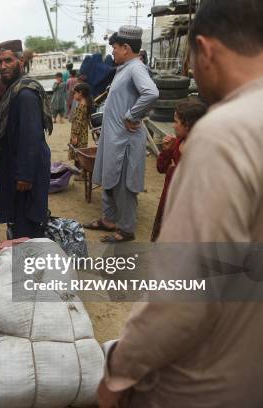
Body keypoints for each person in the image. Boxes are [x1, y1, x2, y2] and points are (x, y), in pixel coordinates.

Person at [97, 0, 263, 406]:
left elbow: (183, 295)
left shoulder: (224, 133)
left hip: (205, 385)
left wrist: (119, 372)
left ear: (205, 50)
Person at [84, 25, 159, 243]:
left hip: (124, 141)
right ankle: (109, 220)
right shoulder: (124, 68)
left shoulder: (136, 68)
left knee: (124, 185)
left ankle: (126, 230)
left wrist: (131, 116)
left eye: (115, 48)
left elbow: (151, 93)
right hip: (114, 139)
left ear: (126, 48)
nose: (113, 52)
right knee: (110, 180)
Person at [0, 39, 53, 239]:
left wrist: (25, 175)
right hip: (16, 167)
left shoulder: (25, 93)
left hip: (25, 173)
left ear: (21, 61)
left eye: (8, 60)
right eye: (0, 62)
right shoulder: (15, 88)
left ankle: (29, 267)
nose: (3, 66)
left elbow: (31, 135)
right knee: (18, 222)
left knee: (27, 226)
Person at [150, 99, 207, 241]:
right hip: (169, 200)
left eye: (176, 121)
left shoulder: (201, 150)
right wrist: (166, 151)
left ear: (188, 125)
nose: (173, 125)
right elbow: (161, 168)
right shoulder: (178, 142)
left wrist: (175, 169)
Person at [68, 82, 93, 172]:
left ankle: (79, 172)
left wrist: (75, 136)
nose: (74, 95)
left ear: (81, 93)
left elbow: (78, 123)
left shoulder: (81, 106)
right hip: (83, 134)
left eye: (75, 93)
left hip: (78, 135)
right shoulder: (85, 104)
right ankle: (80, 171)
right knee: (80, 152)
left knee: (77, 153)